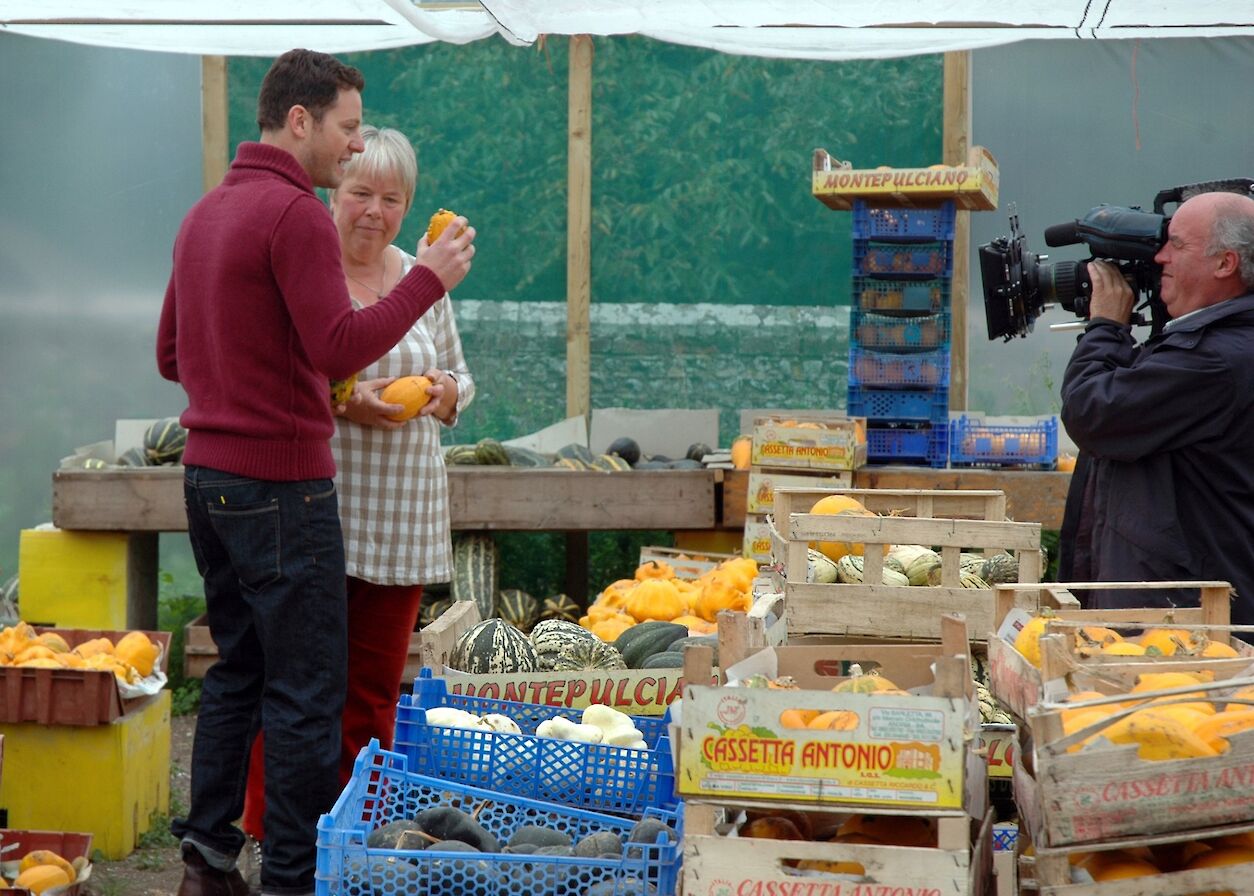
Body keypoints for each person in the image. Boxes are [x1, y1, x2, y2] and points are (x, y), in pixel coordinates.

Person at [156, 49, 475, 896]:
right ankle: (294, 878)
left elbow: (169, 355)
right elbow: (339, 344)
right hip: (282, 484)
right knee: (306, 694)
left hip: (206, 478)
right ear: (299, 120)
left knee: (238, 672)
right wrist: (430, 282)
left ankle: (208, 860)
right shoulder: (294, 212)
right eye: (345, 128)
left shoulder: (206, 212)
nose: (352, 145)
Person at [236, 126, 475, 870]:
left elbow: (463, 378)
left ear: (407, 206)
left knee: (372, 689)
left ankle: (356, 833)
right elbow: (284, 370)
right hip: (322, 506)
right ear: (332, 196)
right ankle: (266, 830)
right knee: (303, 685)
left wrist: (439, 392)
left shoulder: (421, 276)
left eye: (391, 197)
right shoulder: (311, 268)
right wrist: (347, 398)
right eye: (359, 193)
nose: (374, 211)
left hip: (405, 509)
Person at [1059, 190, 1254, 628]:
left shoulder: (1213, 361)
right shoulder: (1213, 345)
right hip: (1183, 611)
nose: (1159, 257)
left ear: (1226, 263)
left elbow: (1092, 412)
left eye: (1177, 245)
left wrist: (1106, 327)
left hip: (1185, 626)